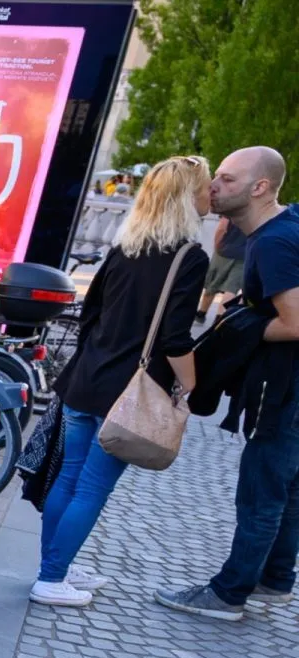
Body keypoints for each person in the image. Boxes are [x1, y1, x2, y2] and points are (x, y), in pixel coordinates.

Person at [32, 155, 209, 607]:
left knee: (69, 479)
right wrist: (191, 385)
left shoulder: (126, 246)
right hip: (128, 394)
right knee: (90, 488)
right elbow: (174, 337)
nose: (211, 195)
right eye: (205, 187)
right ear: (187, 199)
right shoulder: (189, 257)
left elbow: (90, 316)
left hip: (87, 379)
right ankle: (51, 579)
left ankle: (56, 568)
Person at [158, 146, 299, 620]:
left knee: (262, 490)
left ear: (260, 188)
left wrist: (246, 325)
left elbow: (296, 321)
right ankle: (276, 579)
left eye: (227, 179)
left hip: (284, 390)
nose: (214, 186)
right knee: (288, 488)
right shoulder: (286, 225)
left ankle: (228, 594)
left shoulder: (273, 242)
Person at [202, 215, 247, 318]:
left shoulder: (231, 208)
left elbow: (222, 228)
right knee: (232, 288)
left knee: (213, 282)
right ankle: (219, 317)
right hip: (244, 255)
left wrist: (217, 245)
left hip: (224, 251)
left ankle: (202, 312)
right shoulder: (257, 211)